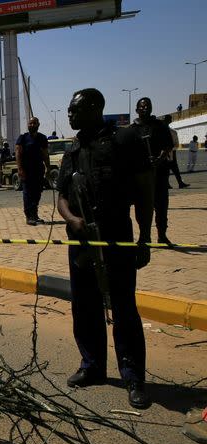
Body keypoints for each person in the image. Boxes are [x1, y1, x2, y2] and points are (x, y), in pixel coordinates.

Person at [57, 88, 154, 409]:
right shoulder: (72, 148)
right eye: (69, 109)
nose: (70, 114)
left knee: (124, 308)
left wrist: (144, 238)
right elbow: (62, 197)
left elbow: (144, 192)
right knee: (84, 306)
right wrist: (72, 219)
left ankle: (133, 377)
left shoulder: (124, 141)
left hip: (116, 238)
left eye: (76, 109)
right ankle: (92, 366)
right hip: (81, 242)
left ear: (97, 107)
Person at [129, 97, 174, 244]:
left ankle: (162, 234)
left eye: (148, 106)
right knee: (142, 209)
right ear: (136, 110)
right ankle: (144, 236)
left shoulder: (159, 126)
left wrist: (159, 159)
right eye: (142, 107)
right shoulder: (132, 130)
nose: (145, 108)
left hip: (159, 173)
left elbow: (168, 146)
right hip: (141, 175)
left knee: (161, 206)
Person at [16, 117, 51, 225]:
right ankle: (29, 216)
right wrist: (20, 169)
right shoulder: (23, 138)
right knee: (28, 193)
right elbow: (18, 153)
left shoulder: (42, 138)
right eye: (30, 123)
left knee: (37, 193)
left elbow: (45, 154)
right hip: (26, 170)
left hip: (39, 170)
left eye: (34, 123)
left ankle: (35, 215)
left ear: (38, 124)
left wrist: (48, 168)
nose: (32, 125)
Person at [162, 115, 188, 188]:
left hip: (170, 152)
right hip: (166, 152)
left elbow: (176, 144)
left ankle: (179, 183)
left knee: (172, 168)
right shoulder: (165, 131)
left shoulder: (172, 132)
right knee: (168, 169)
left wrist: (170, 149)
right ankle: (175, 183)